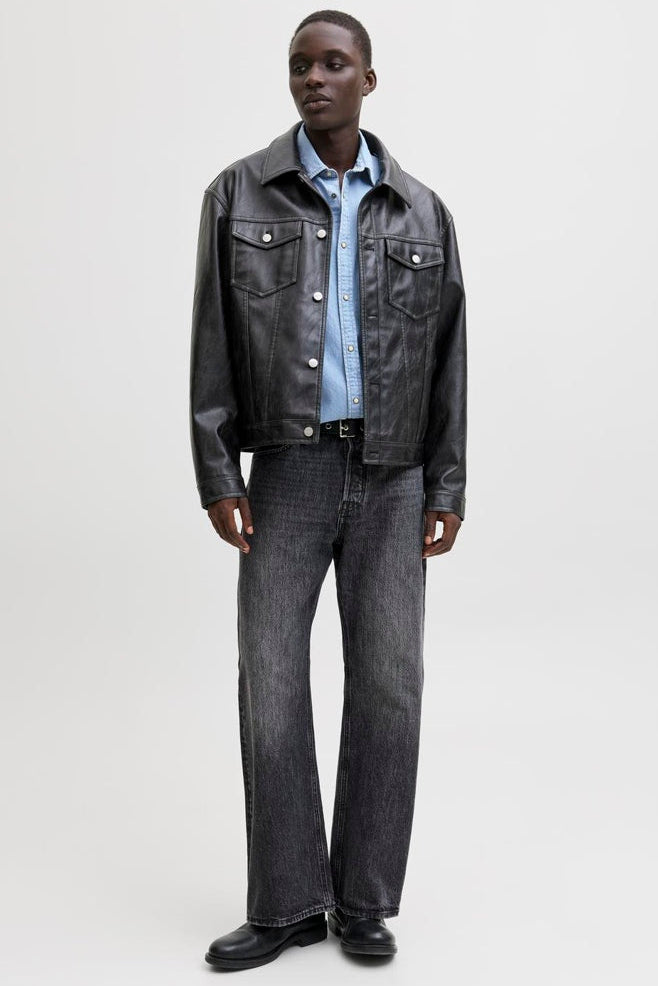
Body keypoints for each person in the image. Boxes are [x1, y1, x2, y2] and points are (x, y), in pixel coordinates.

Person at [189, 9, 467, 971]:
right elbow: (212, 339)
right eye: (300, 64)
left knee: (389, 689)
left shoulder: (423, 211)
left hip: (395, 477)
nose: (314, 77)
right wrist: (217, 470)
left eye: (334, 63)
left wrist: (447, 483)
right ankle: (285, 903)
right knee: (271, 684)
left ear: (367, 80)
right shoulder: (238, 193)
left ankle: (363, 902)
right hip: (287, 471)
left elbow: (450, 358)